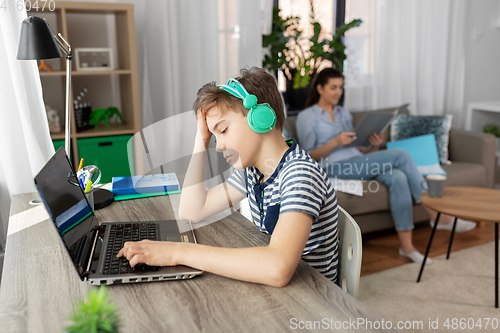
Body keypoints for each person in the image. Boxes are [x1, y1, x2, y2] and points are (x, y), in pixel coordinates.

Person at [118, 67, 339, 287]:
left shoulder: (299, 173)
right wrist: (201, 140)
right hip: (283, 293)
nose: (219, 145)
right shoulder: (253, 172)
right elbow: (191, 211)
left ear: (261, 119)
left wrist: (178, 252)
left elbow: (277, 268)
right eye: (214, 137)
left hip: (312, 302)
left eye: (223, 131)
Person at [296, 67, 476, 265]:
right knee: (401, 154)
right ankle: (437, 215)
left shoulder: (343, 113)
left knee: (398, 176)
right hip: (332, 166)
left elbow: (357, 148)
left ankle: (407, 247)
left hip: (358, 161)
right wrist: (336, 141)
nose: (338, 92)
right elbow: (308, 156)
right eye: (333, 87)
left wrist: (370, 143)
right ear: (320, 88)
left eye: (340, 87)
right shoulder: (307, 117)